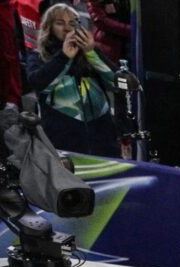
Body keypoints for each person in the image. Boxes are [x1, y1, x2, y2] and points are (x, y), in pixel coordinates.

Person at [25, 4, 119, 157]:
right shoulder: (39, 56)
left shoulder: (90, 54)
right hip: (62, 149)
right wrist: (63, 57)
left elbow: (116, 83)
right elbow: (39, 84)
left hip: (104, 146)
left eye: (73, 23)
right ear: (49, 27)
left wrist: (91, 52)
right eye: (60, 23)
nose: (68, 29)